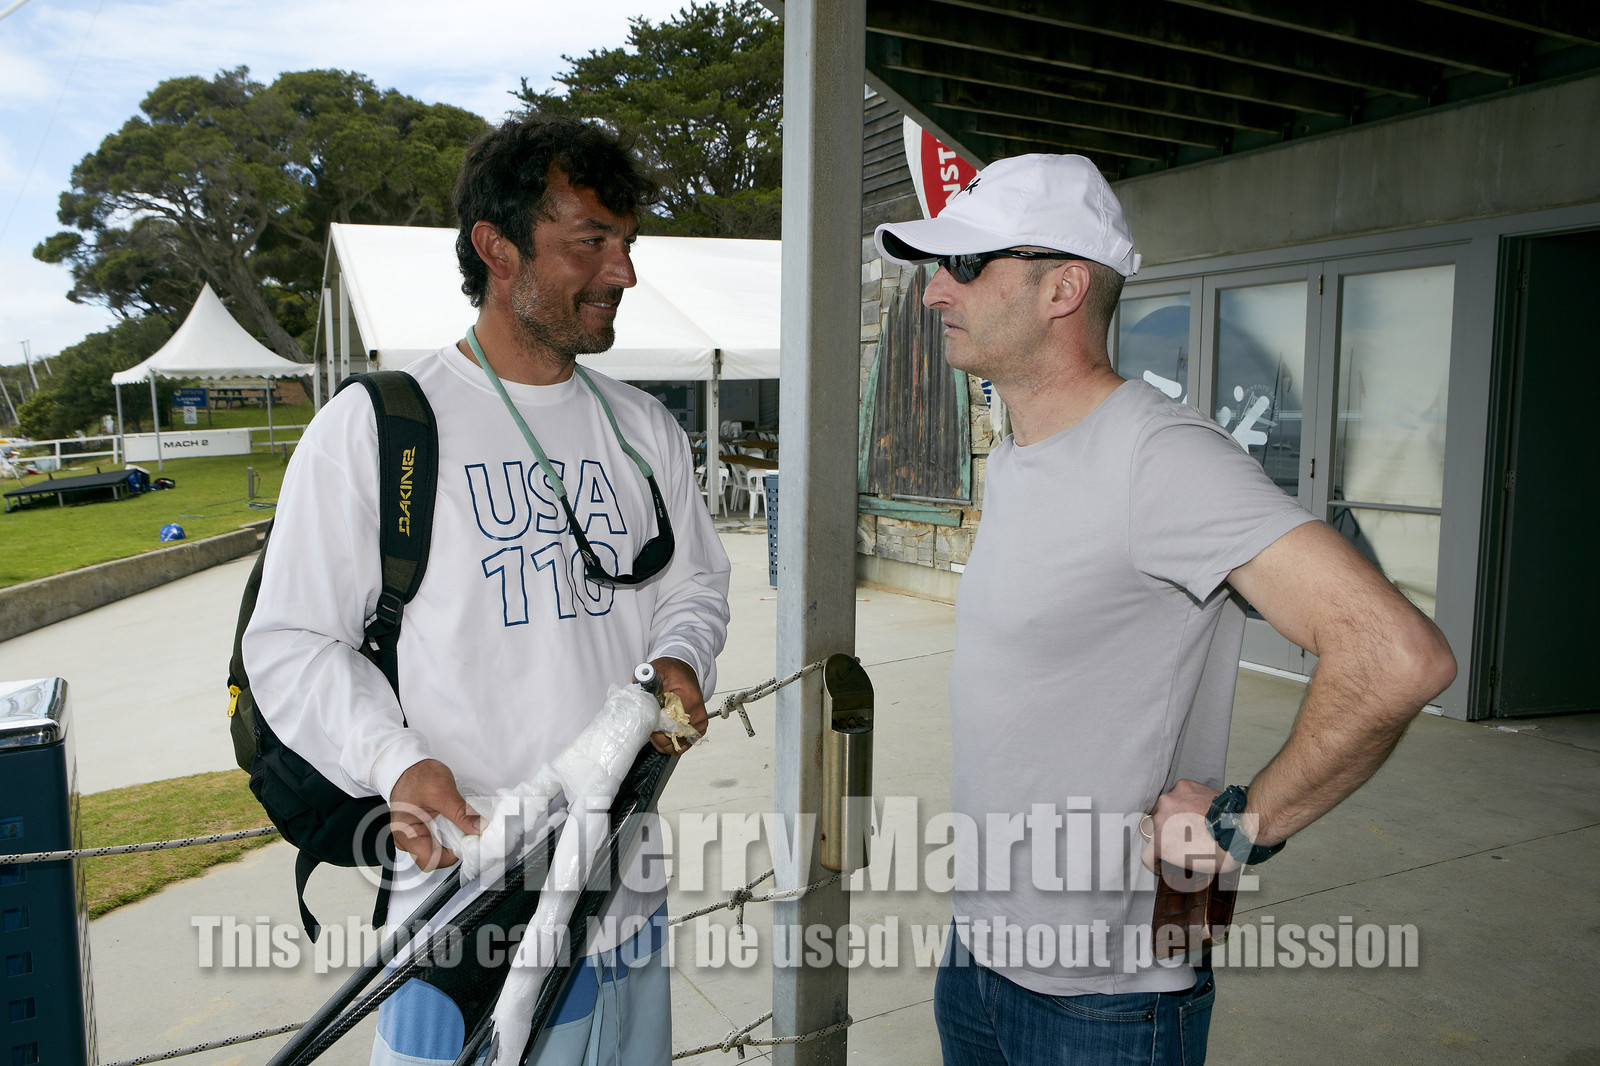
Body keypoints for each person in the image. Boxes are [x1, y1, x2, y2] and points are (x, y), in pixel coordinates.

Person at [874, 154, 1456, 1065]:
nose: (933, 295)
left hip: (1102, 1003)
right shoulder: (1025, 449)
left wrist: (1241, 826)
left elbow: (1396, 655)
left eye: (964, 266)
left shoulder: (1158, 456)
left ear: (1062, 288)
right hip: (981, 957)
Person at [243, 117, 731, 1066]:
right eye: (590, 241)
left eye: (627, 243)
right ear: (497, 248)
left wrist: (682, 653)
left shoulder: (642, 428)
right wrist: (393, 763)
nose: (623, 271)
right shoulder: (380, 428)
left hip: (629, 903)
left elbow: (697, 583)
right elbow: (291, 642)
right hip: (464, 924)